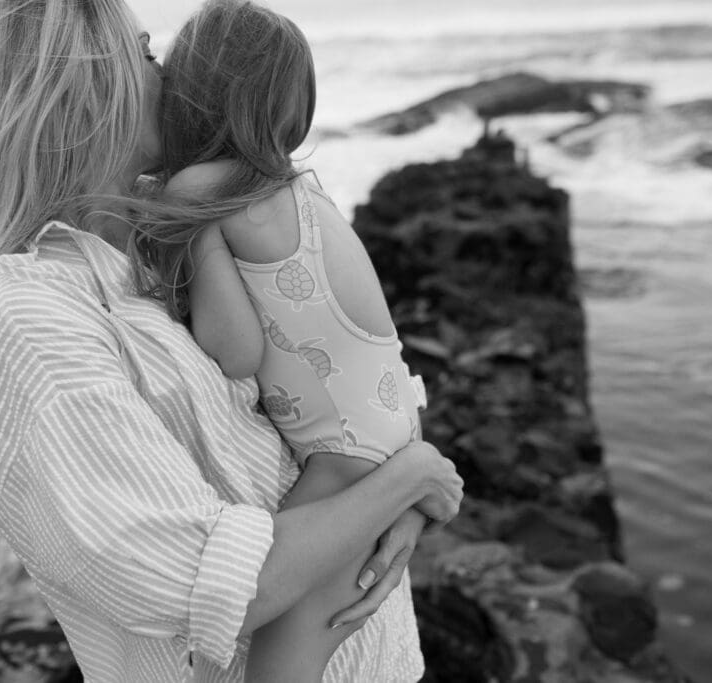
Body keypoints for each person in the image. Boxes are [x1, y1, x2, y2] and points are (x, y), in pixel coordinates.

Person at [0, 1, 463, 681]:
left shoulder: (179, 229)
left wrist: (401, 493)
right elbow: (215, 587)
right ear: (82, 91)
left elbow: (332, 372)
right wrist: (407, 476)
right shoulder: (39, 317)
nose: (172, 74)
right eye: (146, 54)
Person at [129, 2, 434, 680]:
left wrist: (190, 247)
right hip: (383, 426)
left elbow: (235, 352)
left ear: (191, 94)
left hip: (344, 452)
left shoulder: (196, 190)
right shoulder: (303, 192)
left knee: (279, 663)